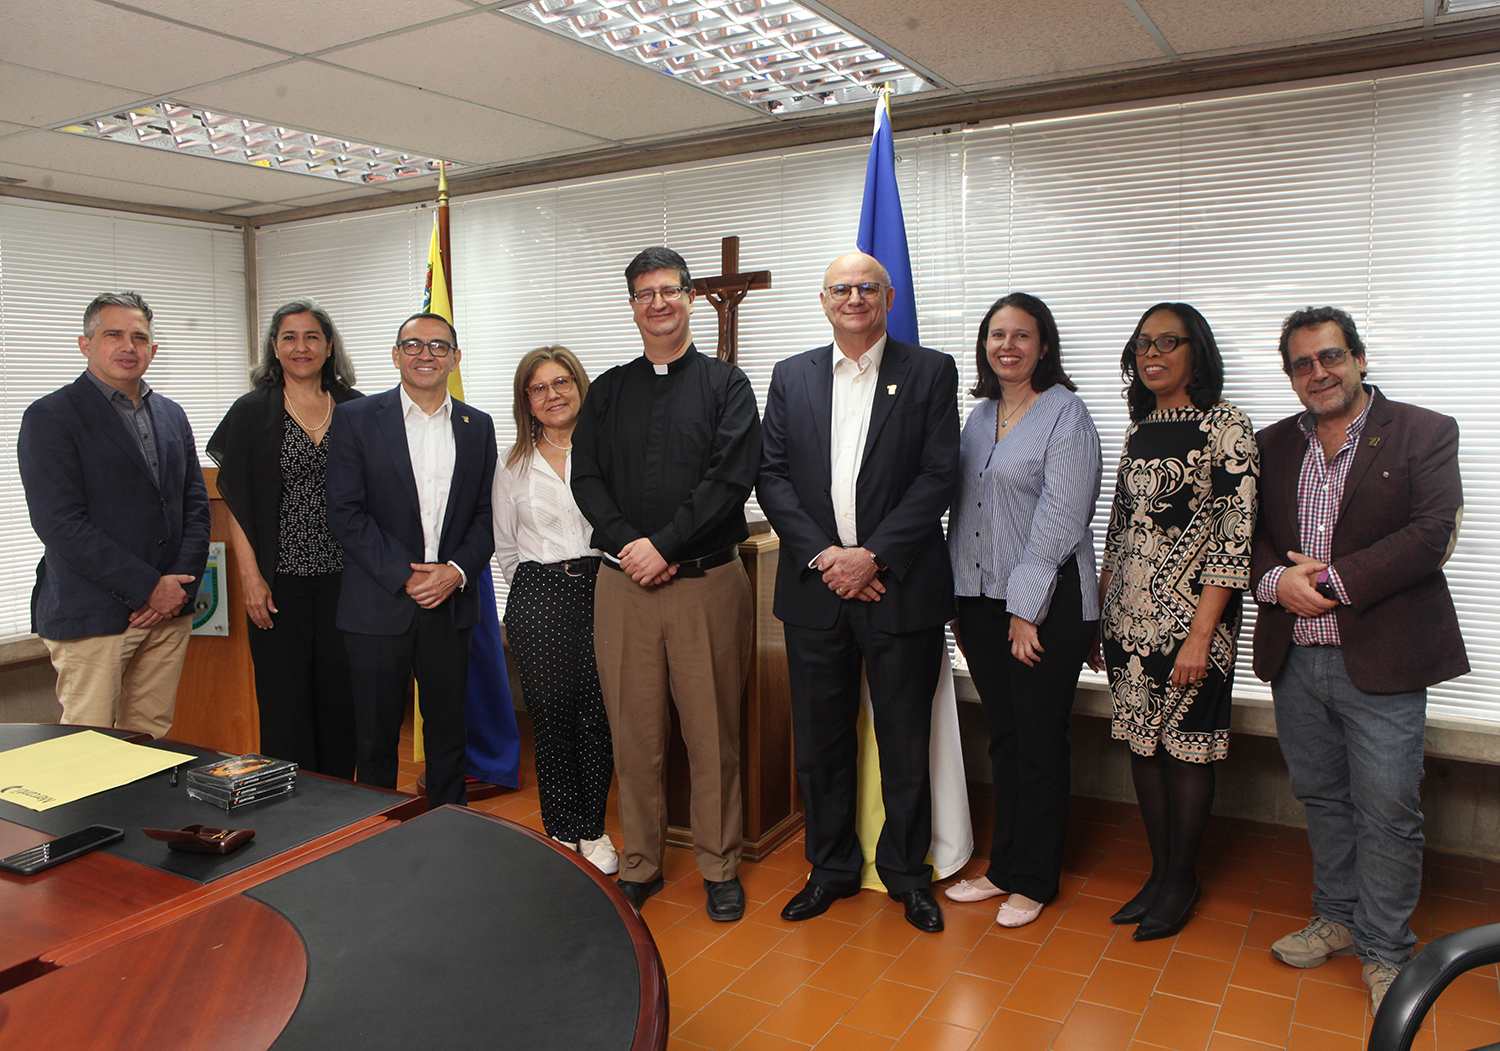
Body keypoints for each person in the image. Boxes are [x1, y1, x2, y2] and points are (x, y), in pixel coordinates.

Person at [1252, 307, 1466, 1014]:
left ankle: (1386, 952)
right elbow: (1248, 539)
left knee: (1389, 810)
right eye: (1302, 363)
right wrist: (1275, 583)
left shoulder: (1425, 432)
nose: (1318, 372)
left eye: (1331, 356)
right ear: (1290, 375)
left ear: (1360, 358)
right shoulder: (1272, 444)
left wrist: (1331, 582)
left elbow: (1431, 533)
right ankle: (1337, 916)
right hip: (1298, 662)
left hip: (1383, 659)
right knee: (1322, 797)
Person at [758, 251, 960, 934]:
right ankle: (831, 867)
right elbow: (773, 476)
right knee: (820, 743)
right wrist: (826, 559)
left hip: (897, 589)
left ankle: (906, 873)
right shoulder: (791, 376)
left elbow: (938, 477)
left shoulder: (930, 371)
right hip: (816, 592)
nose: (853, 298)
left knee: (905, 740)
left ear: (888, 296)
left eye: (866, 287)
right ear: (823, 301)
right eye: (841, 288)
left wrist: (871, 557)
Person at [571, 247, 760, 920]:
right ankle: (642, 862)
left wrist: (666, 544)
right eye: (645, 292)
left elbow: (729, 479)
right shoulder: (609, 392)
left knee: (713, 734)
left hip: (705, 584)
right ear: (632, 305)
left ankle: (719, 864)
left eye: (669, 290)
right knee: (635, 734)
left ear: (689, 297)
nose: (658, 302)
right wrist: (630, 544)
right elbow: (585, 477)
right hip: (624, 587)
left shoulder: (726, 386)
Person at [1095, 302, 1258, 941]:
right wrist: (1104, 609)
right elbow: (1120, 527)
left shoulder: (1227, 426)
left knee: (1187, 750)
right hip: (1127, 622)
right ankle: (1159, 874)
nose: (1153, 353)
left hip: (1195, 625)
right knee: (1144, 746)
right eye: (1143, 344)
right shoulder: (1139, 428)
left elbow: (1233, 540)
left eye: (1169, 342)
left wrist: (1199, 634)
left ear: (1197, 352)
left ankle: (1182, 880)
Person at [943, 293, 1101, 929]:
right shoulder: (980, 416)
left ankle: (1034, 878)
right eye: (996, 335)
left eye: (1022, 335)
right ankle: (1004, 866)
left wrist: (1024, 609)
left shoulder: (1067, 414)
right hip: (980, 603)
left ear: (1044, 345)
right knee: (1004, 737)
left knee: (1038, 740)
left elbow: (1061, 519)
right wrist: (957, 598)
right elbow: (964, 513)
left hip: (1047, 604)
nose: (1007, 345)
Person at [18, 292, 211, 738]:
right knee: (89, 746)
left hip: (168, 613)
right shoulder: (51, 416)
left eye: (139, 337)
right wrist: (146, 587)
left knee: (151, 741)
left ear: (154, 350)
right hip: (94, 615)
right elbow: (59, 521)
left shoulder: (171, 414)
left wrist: (176, 588)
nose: (129, 346)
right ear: (86, 344)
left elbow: (194, 507)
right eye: (114, 335)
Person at [325, 312, 497, 807]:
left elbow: (488, 514)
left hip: (450, 604)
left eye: (439, 347)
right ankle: (373, 837)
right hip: (377, 605)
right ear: (396, 355)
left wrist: (455, 572)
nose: (427, 354)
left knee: (448, 733)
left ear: (456, 358)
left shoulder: (476, 426)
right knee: (375, 738)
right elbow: (344, 511)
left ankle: (448, 834)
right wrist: (407, 577)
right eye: (414, 345)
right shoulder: (356, 418)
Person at [207, 298, 361, 776]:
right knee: (285, 703)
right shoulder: (253, 412)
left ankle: (341, 808)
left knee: (342, 701)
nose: (301, 346)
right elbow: (238, 501)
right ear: (274, 347)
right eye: (289, 337)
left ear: (329, 345)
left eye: (312, 336)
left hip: (348, 583)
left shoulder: (358, 409)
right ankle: (292, 819)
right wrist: (250, 578)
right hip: (279, 583)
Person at [494, 345, 617, 874]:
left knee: (599, 718)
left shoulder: (607, 451)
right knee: (550, 720)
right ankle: (561, 833)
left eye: (562, 382)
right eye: (539, 387)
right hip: (539, 597)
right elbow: (505, 546)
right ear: (528, 400)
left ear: (579, 385)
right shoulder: (512, 463)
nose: (553, 395)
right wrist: (528, 597)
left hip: (605, 588)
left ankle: (594, 831)